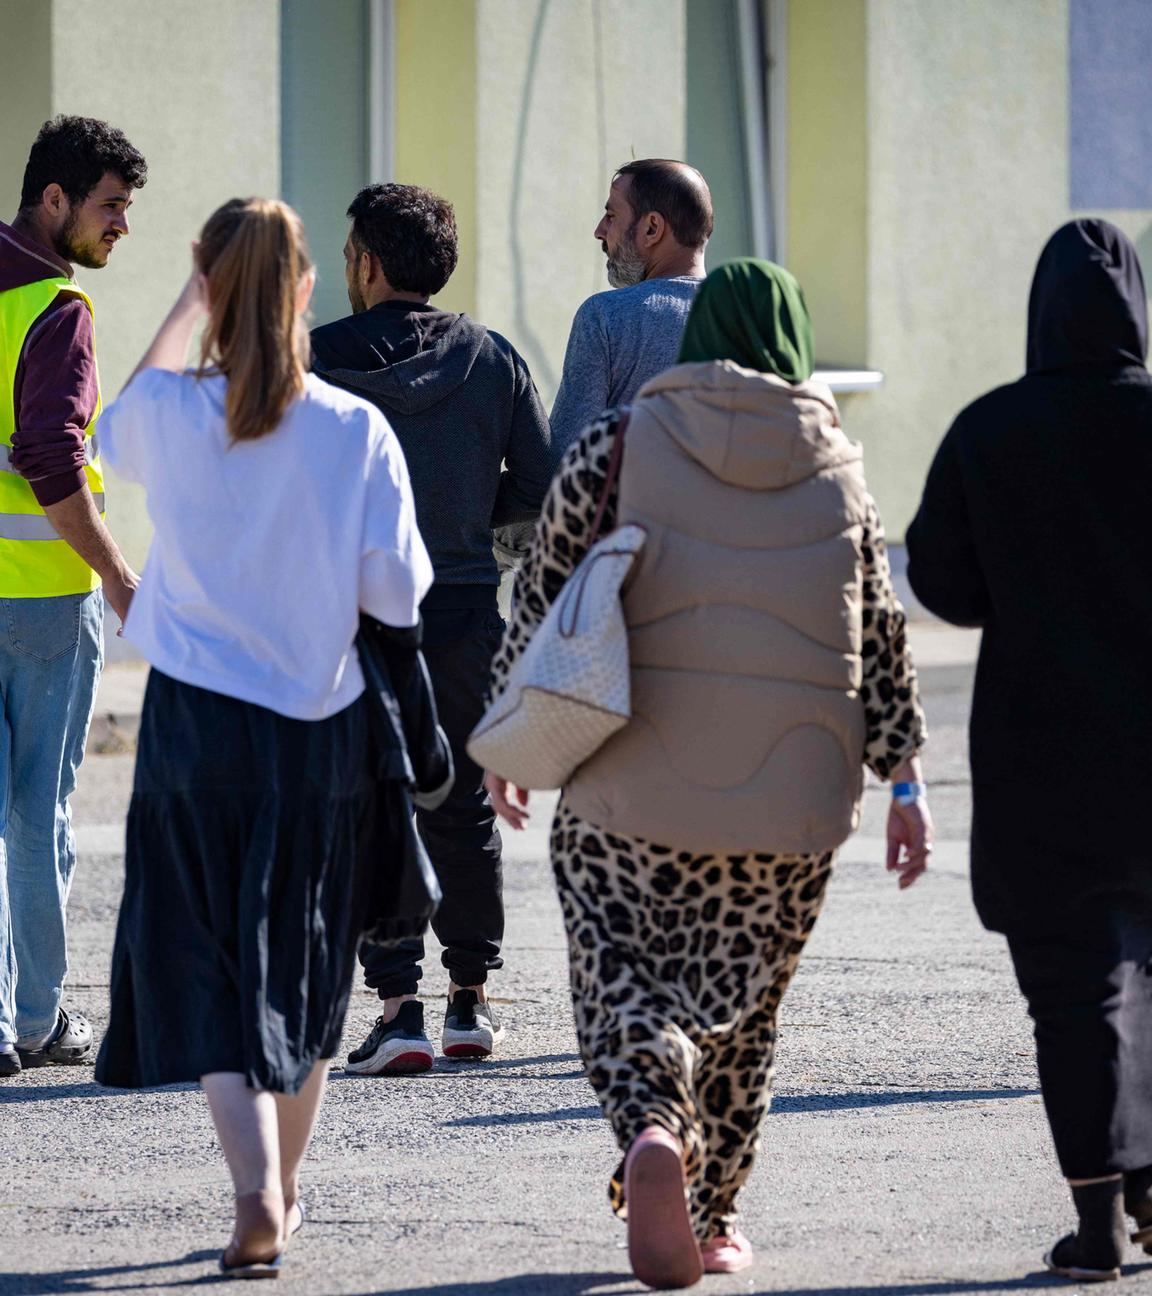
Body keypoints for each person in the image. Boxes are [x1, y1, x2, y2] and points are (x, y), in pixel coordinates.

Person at [482, 259, 932, 1288]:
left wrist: (506, 742)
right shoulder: (840, 469)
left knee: (620, 970)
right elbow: (883, 638)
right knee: (742, 1011)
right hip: (793, 809)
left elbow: (545, 598)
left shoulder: (618, 444)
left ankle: (650, 1127)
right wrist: (904, 780)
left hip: (624, 790)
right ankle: (718, 1216)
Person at [92, 198, 433, 1276]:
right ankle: (285, 1188)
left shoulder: (177, 412)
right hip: (315, 728)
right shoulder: (352, 429)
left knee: (204, 960)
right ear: (305, 292)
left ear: (210, 285)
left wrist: (193, 296)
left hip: (193, 725)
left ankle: (254, 1194)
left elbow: (110, 421)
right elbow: (394, 594)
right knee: (307, 961)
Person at [906, 219, 1152, 1284]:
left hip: (1039, 750)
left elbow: (942, 587)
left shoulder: (988, 430)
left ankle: (1098, 1219)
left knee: (1076, 985)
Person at [310, 184, 553, 1074]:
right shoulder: (491, 358)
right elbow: (540, 483)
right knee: (462, 807)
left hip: (351, 617)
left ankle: (398, 1009)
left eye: (348, 255)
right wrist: (462, 522)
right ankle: (469, 1005)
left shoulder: (312, 359)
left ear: (369, 264)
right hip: (460, 611)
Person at [0, 116, 147, 1078]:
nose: (120, 228)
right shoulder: (57, 307)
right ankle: (39, 1018)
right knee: (35, 809)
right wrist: (121, 579)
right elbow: (53, 459)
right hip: (44, 602)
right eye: (109, 207)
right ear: (54, 201)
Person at [549, 159, 712, 455]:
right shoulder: (749, 324)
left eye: (611, 215)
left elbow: (565, 456)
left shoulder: (605, 316)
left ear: (652, 228)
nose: (599, 231)